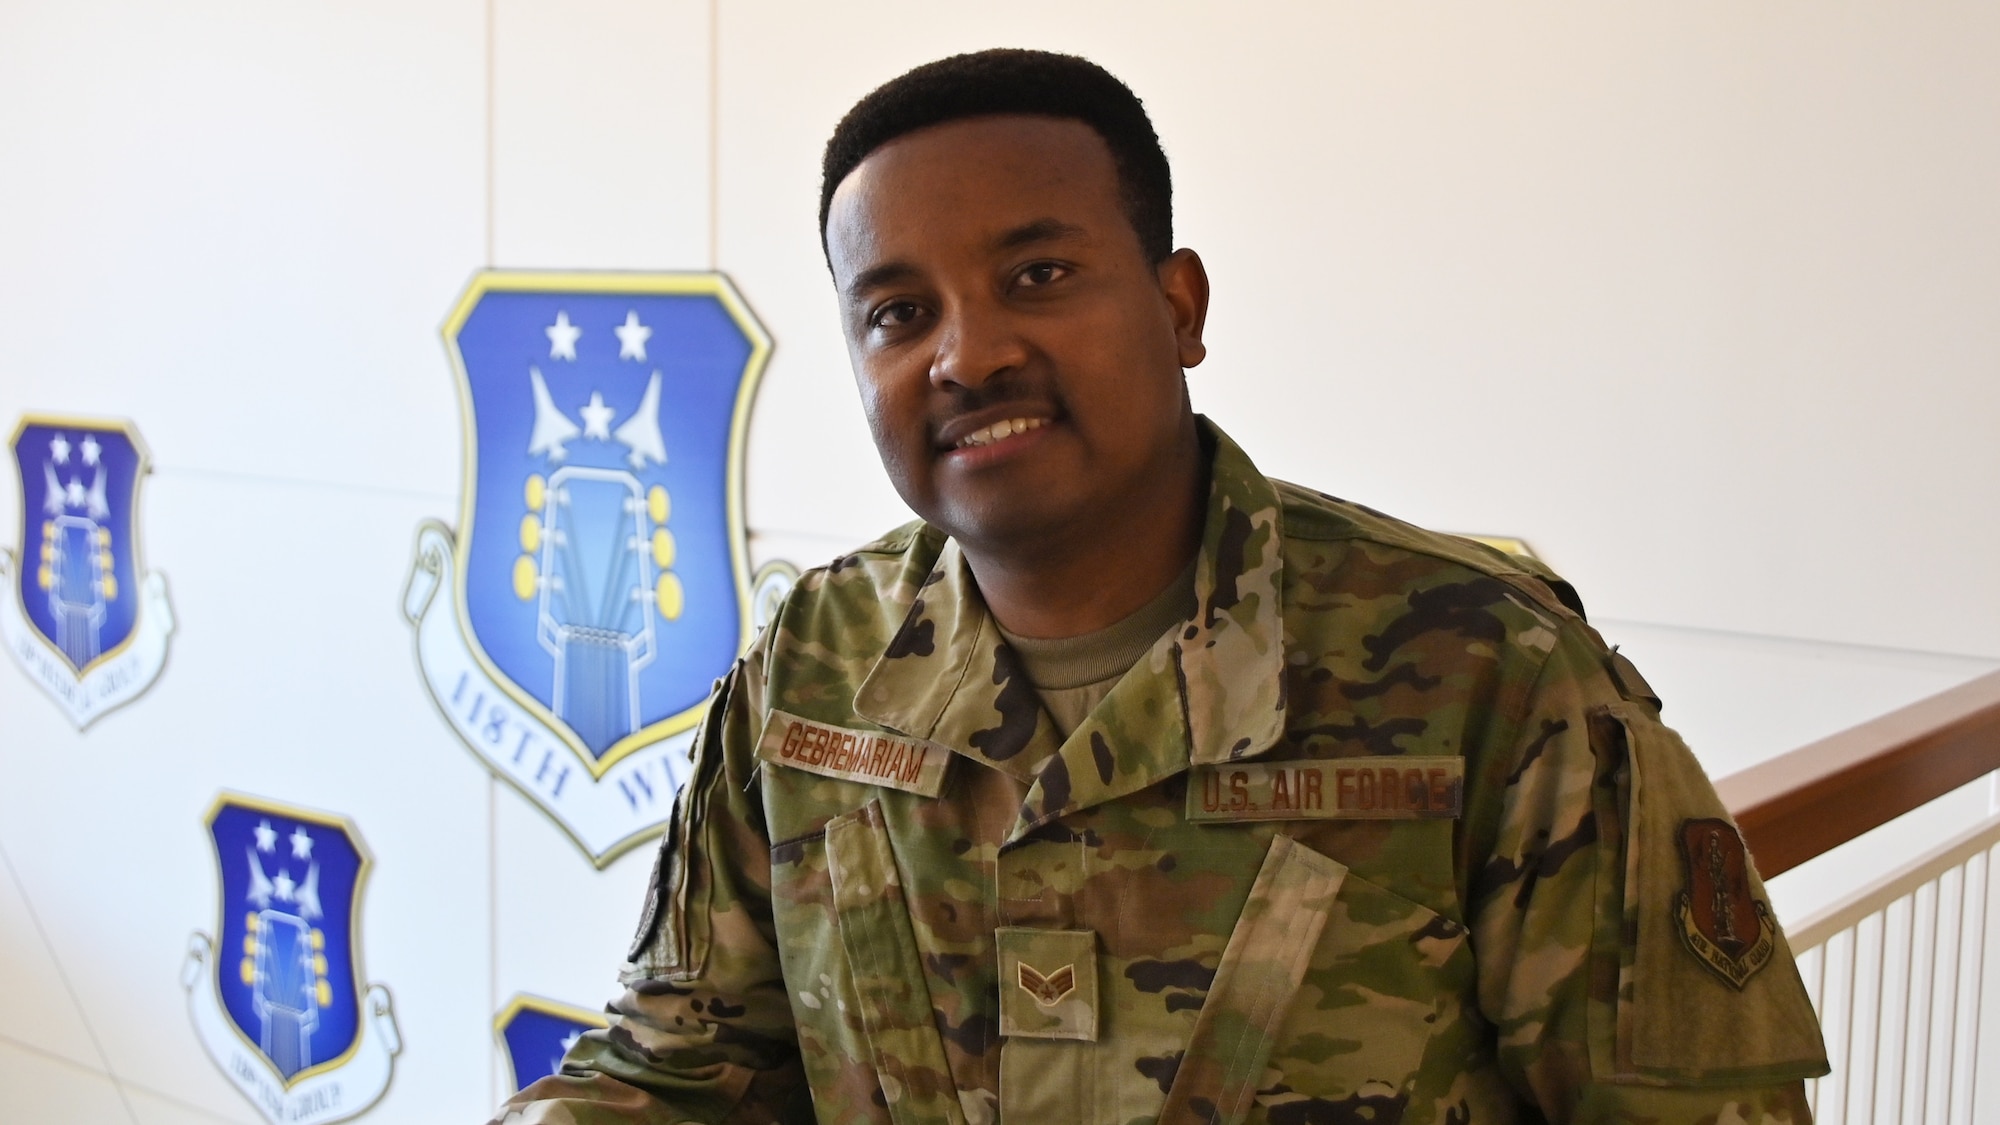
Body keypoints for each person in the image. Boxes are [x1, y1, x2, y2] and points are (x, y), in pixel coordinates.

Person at [494, 49, 1828, 1125]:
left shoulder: (1487, 673)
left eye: (1038, 275)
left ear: (1178, 305)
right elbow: (686, 1070)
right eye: (899, 313)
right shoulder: (815, 667)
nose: (970, 352)